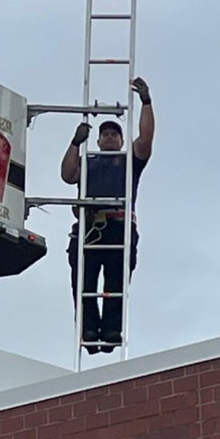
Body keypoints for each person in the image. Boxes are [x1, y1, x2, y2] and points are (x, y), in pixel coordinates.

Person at [61, 75, 155, 353]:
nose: (110, 137)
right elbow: (67, 175)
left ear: (122, 140)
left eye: (115, 134)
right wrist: (76, 142)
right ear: (99, 140)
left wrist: (146, 101)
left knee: (116, 282)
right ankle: (89, 330)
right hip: (89, 227)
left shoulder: (130, 161)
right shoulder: (88, 161)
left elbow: (146, 138)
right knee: (84, 281)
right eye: (105, 134)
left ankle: (112, 330)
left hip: (118, 225)